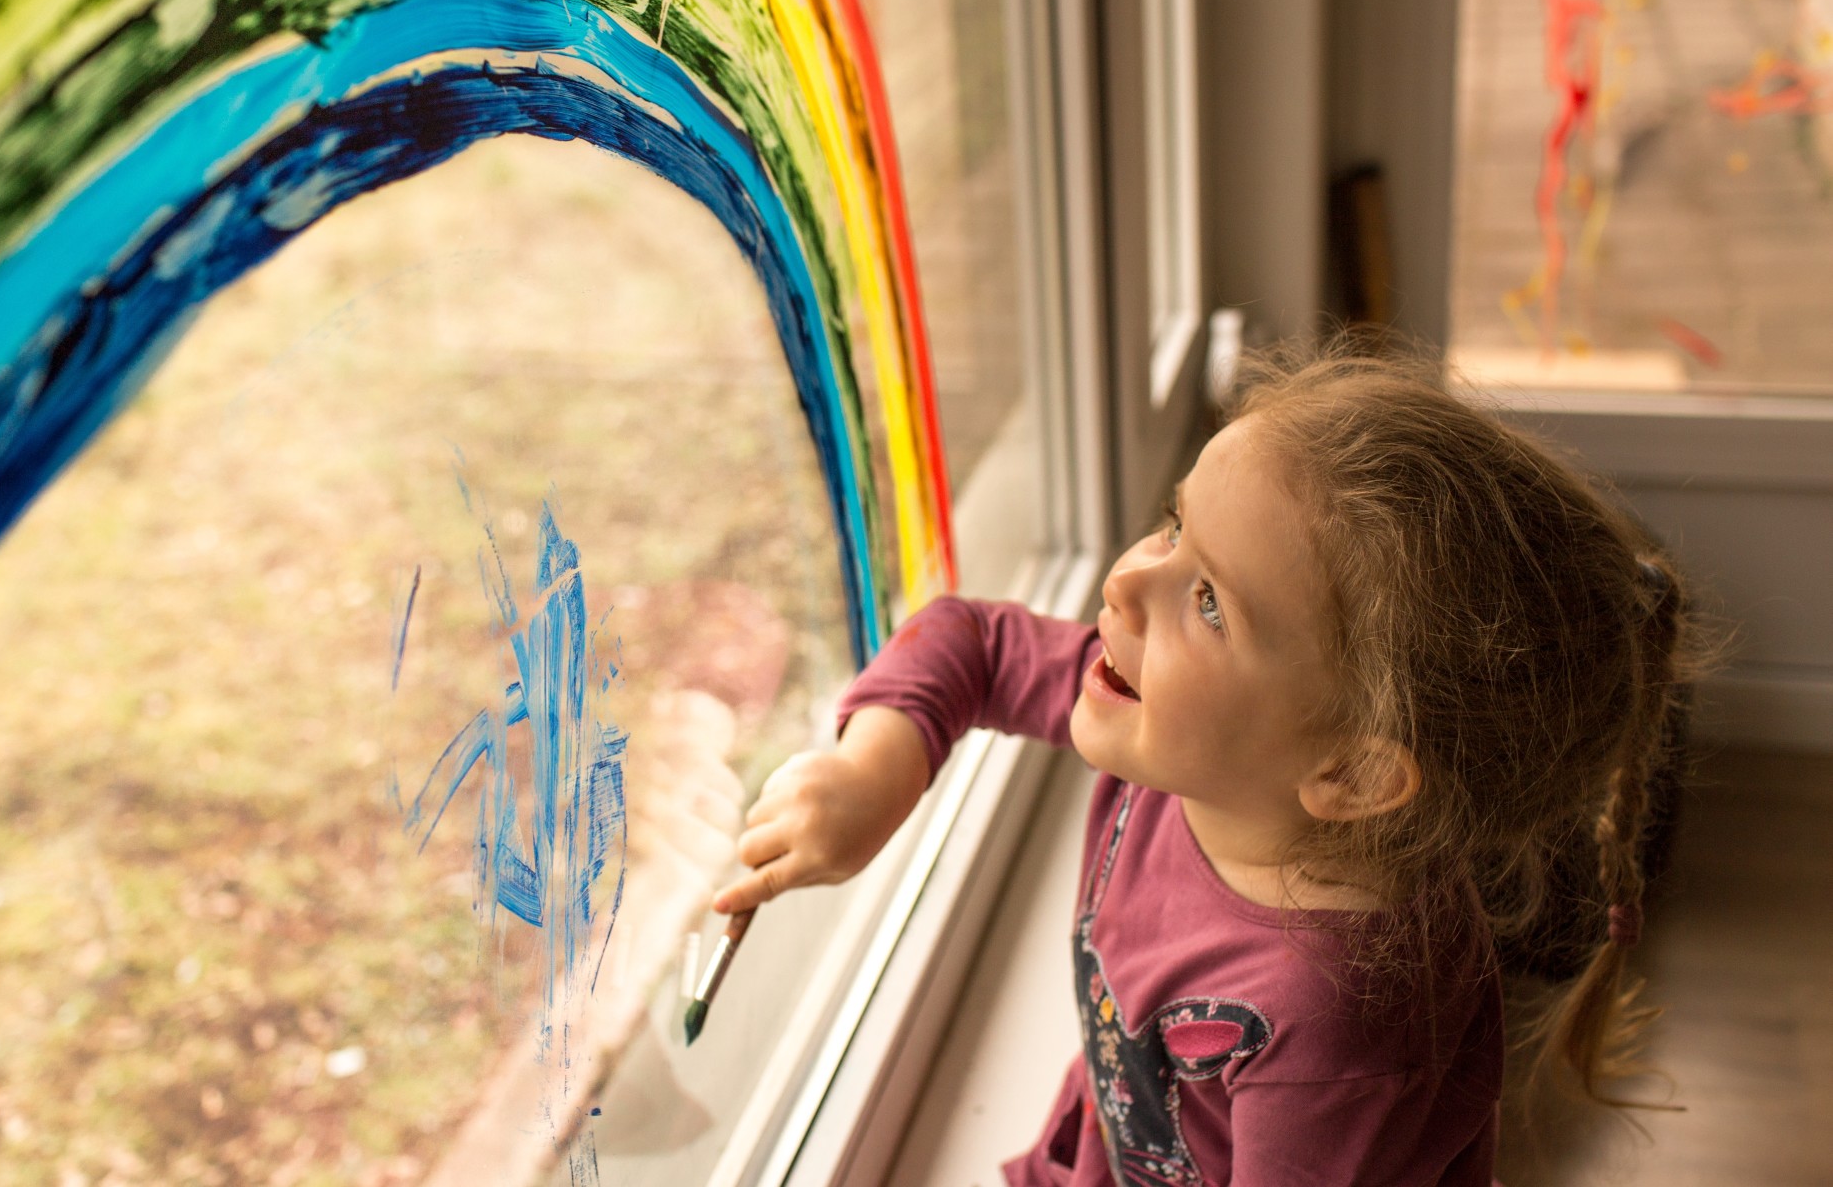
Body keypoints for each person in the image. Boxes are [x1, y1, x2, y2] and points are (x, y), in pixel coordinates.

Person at [711, 345, 1697, 1186]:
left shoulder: (1337, 1034)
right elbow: (975, 644)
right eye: (1176, 526)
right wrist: (870, 777)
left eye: (1211, 602)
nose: (1131, 578)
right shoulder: (1207, 742)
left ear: (1352, 774)